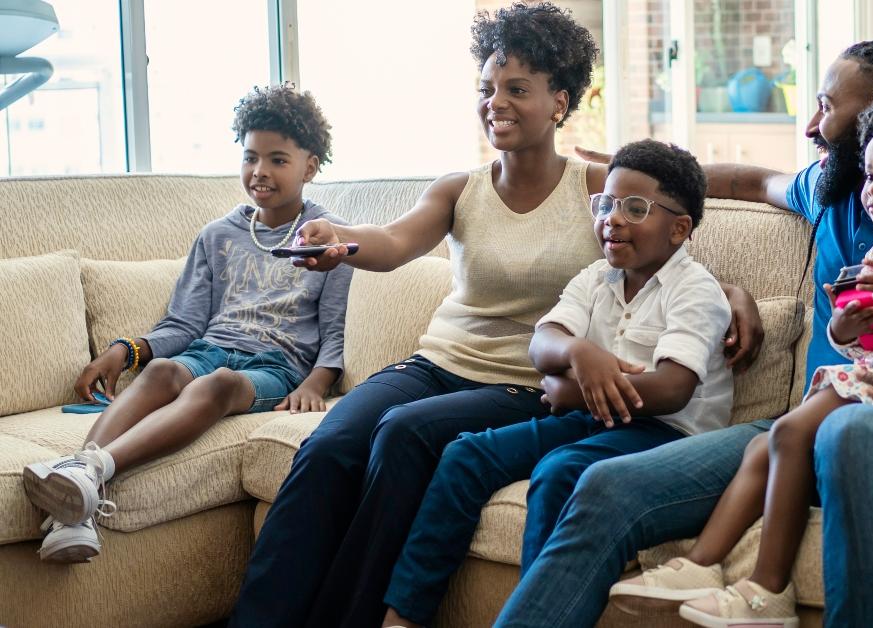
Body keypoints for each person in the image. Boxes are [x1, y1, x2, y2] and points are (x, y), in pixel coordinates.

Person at [496, 39, 873, 628]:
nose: (811, 125)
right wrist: (645, 197)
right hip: (803, 429)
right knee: (605, 484)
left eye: (827, 107)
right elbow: (750, 182)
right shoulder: (835, 195)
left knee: (852, 431)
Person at [228, 5, 762, 627]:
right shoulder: (461, 188)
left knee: (402, 434)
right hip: (437, 364)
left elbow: (669, 230)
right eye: (485, 89)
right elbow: (395, 242)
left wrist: (734, 290)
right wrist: (337, 238)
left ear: (559, 101)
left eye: (516, 89)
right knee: (330, 445)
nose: (495, 102)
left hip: (524, 382)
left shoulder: (595, 188)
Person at [611, 79, 873, 628]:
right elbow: (870, 340)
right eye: (870, 176)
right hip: (871, 394)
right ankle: (707, 568)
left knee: (791, 433)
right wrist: (847, 323)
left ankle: (766, 588)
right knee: (778, 438)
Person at [378, 139, 733, 628]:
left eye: (635, 208)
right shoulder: (596, 277)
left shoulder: (696, 291)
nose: (613, 218)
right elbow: (543, 343)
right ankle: (404, 618)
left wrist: (576, 389)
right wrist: (579, 353)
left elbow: (672, 388)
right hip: (594, 418)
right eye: (605, 204)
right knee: (465, 455)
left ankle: (536, 615)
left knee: (560, 471)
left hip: (664, 433)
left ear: (679, 228)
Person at [22, 84, 350, 564]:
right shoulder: (217, 234)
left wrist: (317, 382)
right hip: (210, 347)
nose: (260, 172)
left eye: (278, 160)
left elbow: (334, 330)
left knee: (216, 383)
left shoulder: (328, 238)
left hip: (273, 365)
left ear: (310, 165)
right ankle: (80, 491)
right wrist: (124, 351)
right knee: (162, 372)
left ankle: (91, 469)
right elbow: (185, 321)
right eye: (250, 157)